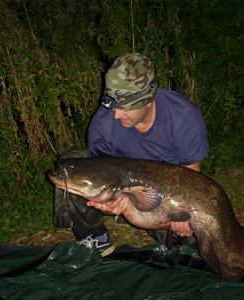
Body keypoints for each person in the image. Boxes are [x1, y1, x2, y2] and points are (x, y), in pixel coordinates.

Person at [54, 53, 209, 257]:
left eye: (125, 107)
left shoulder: (184, 118)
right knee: (71, 167)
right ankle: (95, 236)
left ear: (148, 101)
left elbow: (191, 181)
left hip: (164, 193)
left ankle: (161, 230)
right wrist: (109, 204)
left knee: (198, 239)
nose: (116, 115)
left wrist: (179, 219)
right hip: (124, 184)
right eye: (112, 104)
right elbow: (102, 171)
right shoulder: (103, 122)